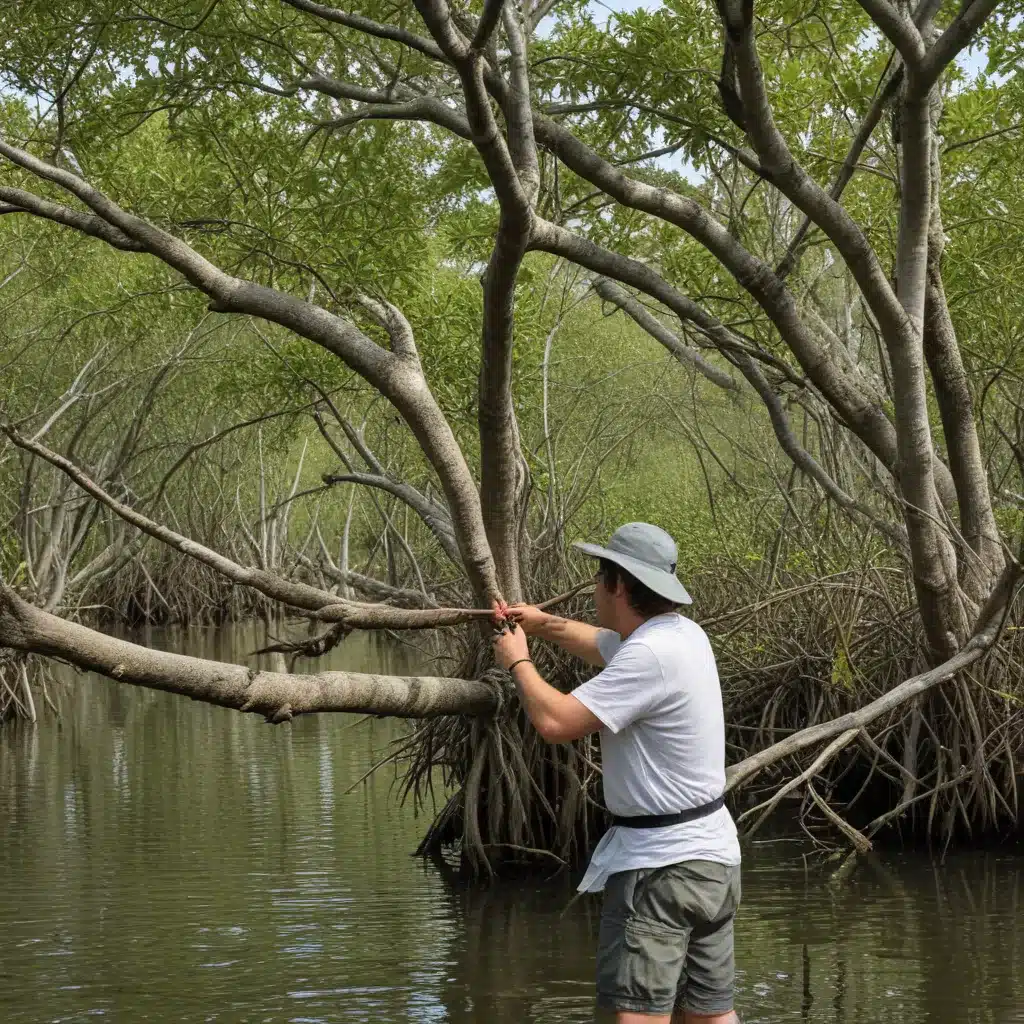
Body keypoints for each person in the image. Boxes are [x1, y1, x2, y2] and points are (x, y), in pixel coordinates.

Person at [492, 522, 742, 1024]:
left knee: (636, 1016)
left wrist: (518, 661)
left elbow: (556, 722)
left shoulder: (648, 656)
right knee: (710, 1016)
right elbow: (603, 643)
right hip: (714, 862)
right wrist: (541, 624)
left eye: (600, 576)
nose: (594, 588)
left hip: (661, 870)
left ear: (619, 585)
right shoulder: (682, 636)